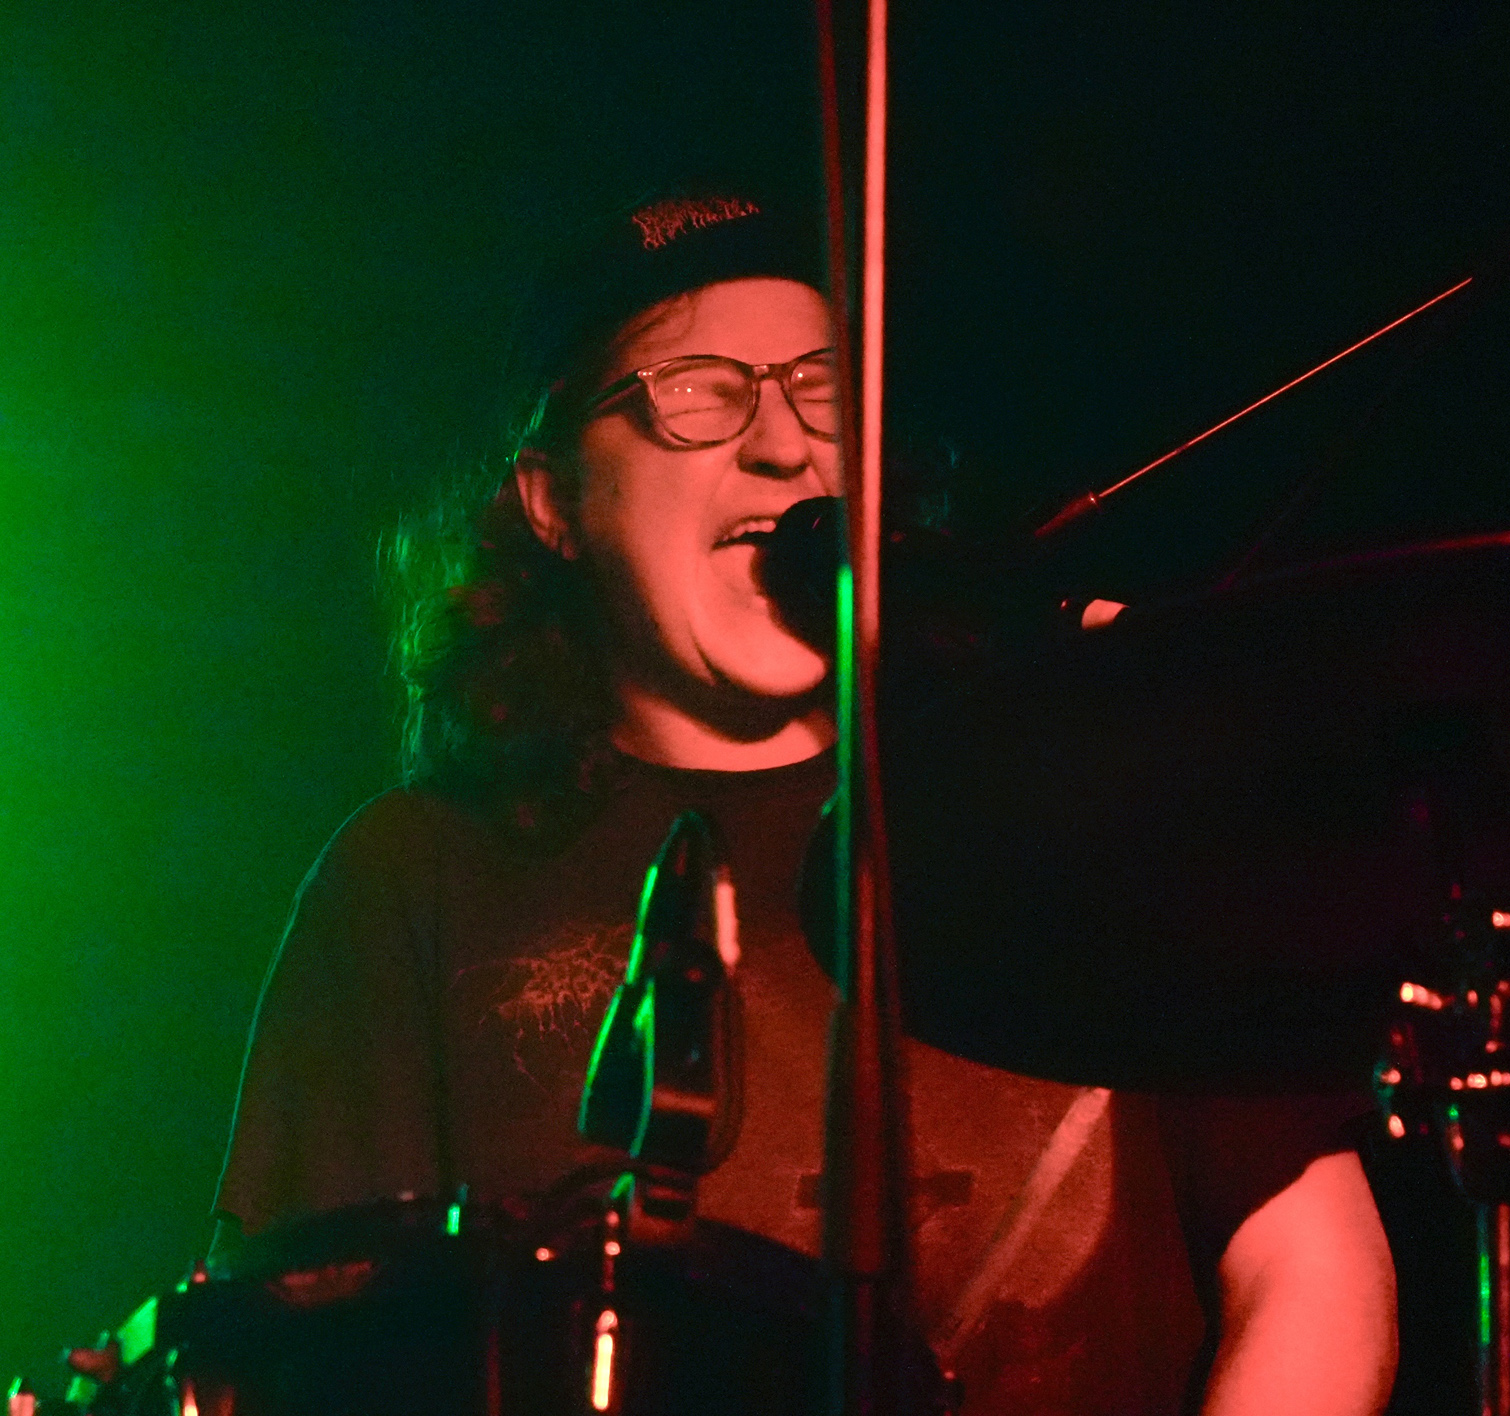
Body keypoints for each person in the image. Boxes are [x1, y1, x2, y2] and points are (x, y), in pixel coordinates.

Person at [213, 188, 1397, 1415]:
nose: (783, 446)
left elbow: (1310, 1266)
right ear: (553, 501)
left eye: (819, 388)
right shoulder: (417, 876)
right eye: (697, 392)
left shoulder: (1066, 801)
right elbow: (299, 1338)